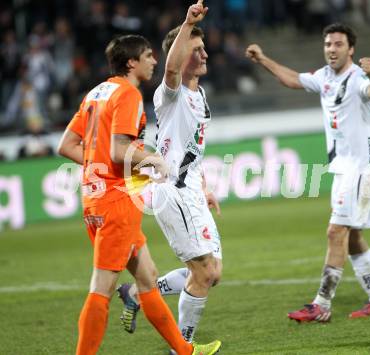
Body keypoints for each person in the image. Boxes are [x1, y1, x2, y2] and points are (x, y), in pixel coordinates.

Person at [57, 33, 221, 355]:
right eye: (148, 56)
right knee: (101, 288)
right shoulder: (128, 93)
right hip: (116, 202)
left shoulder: (96, 93)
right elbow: (119, 151)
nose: (153, 61)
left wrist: (101, 164)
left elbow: (67, 145)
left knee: (148, 279)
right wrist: (152, 159)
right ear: (131, 62)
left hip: (98, 198)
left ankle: (184, 351)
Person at [246, 23, 370, 322]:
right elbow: (292, 80)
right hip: (345, 169)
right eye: (328, 44)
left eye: (338, 44)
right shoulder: (324, 77)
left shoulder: (358, 78)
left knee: (335, 231)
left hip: (362, 169)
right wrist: (262, 59)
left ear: (350, 49)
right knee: (351, 238)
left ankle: (322, 304)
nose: (331, 49)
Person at [117, 0, 223, 345]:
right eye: (197, 48)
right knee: (204, 272)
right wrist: (188, 23)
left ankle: (136, 291)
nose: (204, 54)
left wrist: (204, 186)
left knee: (213, 273)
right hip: (171, 191)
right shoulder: (169, 94)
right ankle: (183, 347)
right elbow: (173, 71)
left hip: (190, 187)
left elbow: (192, 148)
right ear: (179, 54)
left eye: (205, 48)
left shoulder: (201, 95)